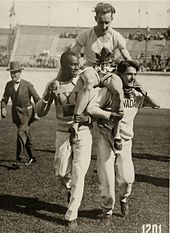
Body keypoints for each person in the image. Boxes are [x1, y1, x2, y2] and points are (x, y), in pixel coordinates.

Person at [77, 60, 160, 219]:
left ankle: (124, 198)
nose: (132, 78)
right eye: (129, 74)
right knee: (107, 179)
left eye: (135, 74)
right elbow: (91, 108)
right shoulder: (109, 91)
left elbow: (157, 105)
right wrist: (108, 115)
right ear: (120, 75)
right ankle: (107, 211)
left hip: (125, 141)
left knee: (127, 179)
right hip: (106, 137)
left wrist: (144, 91)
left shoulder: (137, 95)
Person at [36, 51, 93, 230]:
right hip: (62, 133)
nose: (77, 67)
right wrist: (47, 97)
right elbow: (39, 112)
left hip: (82, 133)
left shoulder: (85, 82)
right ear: (63, 65)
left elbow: (94, 109)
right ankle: (69, 189)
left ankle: (71, 215)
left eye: (78, 64)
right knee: (61, 172)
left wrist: (89, 120)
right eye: (73, 64)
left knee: (79, 173)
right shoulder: (54, 84)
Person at [68, 2, 132, 149]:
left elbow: (126, 56)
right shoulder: (86, 34)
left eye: (107, 23)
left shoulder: (116, 36)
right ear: (95, 18)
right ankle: (75, 125)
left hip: (109, 71)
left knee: (118, 89)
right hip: (91, 68)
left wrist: (133, 73)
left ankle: (116, 133)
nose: (104, 26)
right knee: (89, 82)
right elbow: (72, 54)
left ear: (112, 19)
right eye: (101, 22)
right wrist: (66, 72)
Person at [1, 61, 40, 166]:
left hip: (28, 114)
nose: (13, 74)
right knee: (26, 133)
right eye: (11, 72)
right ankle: (32, 156)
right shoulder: (8, 85)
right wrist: (3, 109)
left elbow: (37, 99)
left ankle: (20, 159)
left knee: (21, 133)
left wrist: (38, 113)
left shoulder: (28, 85)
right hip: (16, 115)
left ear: (20, 72)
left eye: (15, 72)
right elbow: (4, 99)